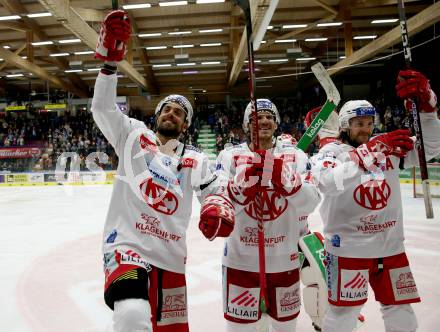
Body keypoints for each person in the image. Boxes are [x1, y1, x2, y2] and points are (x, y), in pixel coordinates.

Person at [92, 10, 234, 332]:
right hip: (126, 247)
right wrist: (109, 65)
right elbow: (102, 108)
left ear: (185, 126)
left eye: (180, 113)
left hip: (169, 255)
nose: (172, 114)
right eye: (167, 109)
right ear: (157, 115)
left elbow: (215, 190)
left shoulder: (195, 159)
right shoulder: (131, 134)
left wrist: (217, 206)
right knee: (131, 314)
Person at [311, 70, 440, 332]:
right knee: (342, 315)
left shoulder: (387, 146)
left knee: (401, 313)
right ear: (345, 126)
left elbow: (432, 148)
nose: (365, 129)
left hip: (390, 248)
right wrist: (370, 152)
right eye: (358, 123)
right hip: (348, 249)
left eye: (369, 122)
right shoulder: (331, 152)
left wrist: (428, 107)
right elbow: (326, 181)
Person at [200, 99, 320, 332]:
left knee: (285, 328)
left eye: (269, 117)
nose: (264, 121)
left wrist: (287, 180)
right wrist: (239, 187)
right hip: (240, 262)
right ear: (246, 125)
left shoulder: (295, 156)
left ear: (276, 124)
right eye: (256, 117)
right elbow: (217, 201)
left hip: (285, 261)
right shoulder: (229, 156)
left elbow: (311, 202)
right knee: (239, 329)